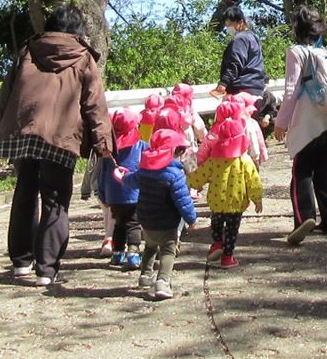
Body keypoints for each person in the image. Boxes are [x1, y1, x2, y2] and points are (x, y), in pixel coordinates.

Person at [0, 4, 113, 287]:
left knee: (24, 193)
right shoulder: (83, 58)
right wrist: (104, 144)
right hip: (61, 137)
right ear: (78, 30)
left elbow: (6, 95)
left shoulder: (28, 50)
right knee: (55, 200)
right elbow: (94, 105)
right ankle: (46, 269)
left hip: (23, 133)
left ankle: (21, 262)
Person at [275, 5, 327, 247]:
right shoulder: (326, 51)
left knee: (301, 174)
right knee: (325, 175)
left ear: (298, 27)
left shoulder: (296, 52)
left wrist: (281, 123)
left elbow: (290, 92)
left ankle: (304, 218)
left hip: (310, 126)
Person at [187, 117, 264, 268]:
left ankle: (216, 244)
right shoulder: (244, 160)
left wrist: (190, 184)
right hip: (236, 201)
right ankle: (227, 257)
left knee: (216, 224)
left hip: (217, 200)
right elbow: (253, 180)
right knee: (231, 231)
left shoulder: (214, 159)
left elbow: (200, 174)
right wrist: (257, 198)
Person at [135, 128, 198, 301]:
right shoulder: (175, 175)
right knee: (168, 251)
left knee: (149, 247)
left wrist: (122, 176)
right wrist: (191, 219)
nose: (182, 154)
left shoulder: (144, 170)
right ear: (173, 152)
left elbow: (130, 180)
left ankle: (145, 276)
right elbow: (183, 201)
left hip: (146, 220)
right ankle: (162, 281)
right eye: (180, 150)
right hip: (167, 223)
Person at [213, 5, 279, 133]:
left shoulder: (240, 39)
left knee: (237, 132)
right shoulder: (253, 37)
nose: (228, 28)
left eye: (230, 24)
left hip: (241, 91)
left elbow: (235, 63)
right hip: (255, 90)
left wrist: (224, 83)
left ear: (240, 23)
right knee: (252, 130)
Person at [99, 110, 145, 270]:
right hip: (134, 195)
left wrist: (103, 196)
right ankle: (133, 252)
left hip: (114, 197)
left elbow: (102, 176)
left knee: (119, 224)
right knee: (133, 224)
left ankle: (117, 253)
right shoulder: (140, 146)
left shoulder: (108, 152)